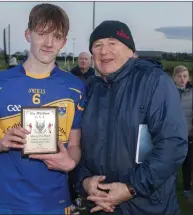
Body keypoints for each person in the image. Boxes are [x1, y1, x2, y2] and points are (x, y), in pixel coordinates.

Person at [0, 3, 86, 215]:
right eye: (42, 33)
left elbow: (75, 144)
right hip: (3, 200)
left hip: (55, 201)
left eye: (57, 36)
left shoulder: (75, 88)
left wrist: (71, 162)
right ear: (28, 34)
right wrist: (1, 143)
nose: (49, 43)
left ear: (64, 42)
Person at [75, 20, 188, 215]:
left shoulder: (154, 82)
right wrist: (84, 181)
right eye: (97, 45)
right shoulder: (89, 90)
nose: (104, 51)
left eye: (113, 43)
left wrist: (130, 188)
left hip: (149, 207)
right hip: (102, 206)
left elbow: (173, 143)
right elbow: (77, 145)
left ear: (131, 51)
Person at [173, 65, 193, 199]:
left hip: (189, 134)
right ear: (174, 77)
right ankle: (168, 187)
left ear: (189, 78)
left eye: (185, 76)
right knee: (171, 163)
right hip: (172, 135)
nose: (182, 79)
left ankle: (187, 189)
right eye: (179, 76)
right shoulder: (167, 91)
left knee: (189, 163)